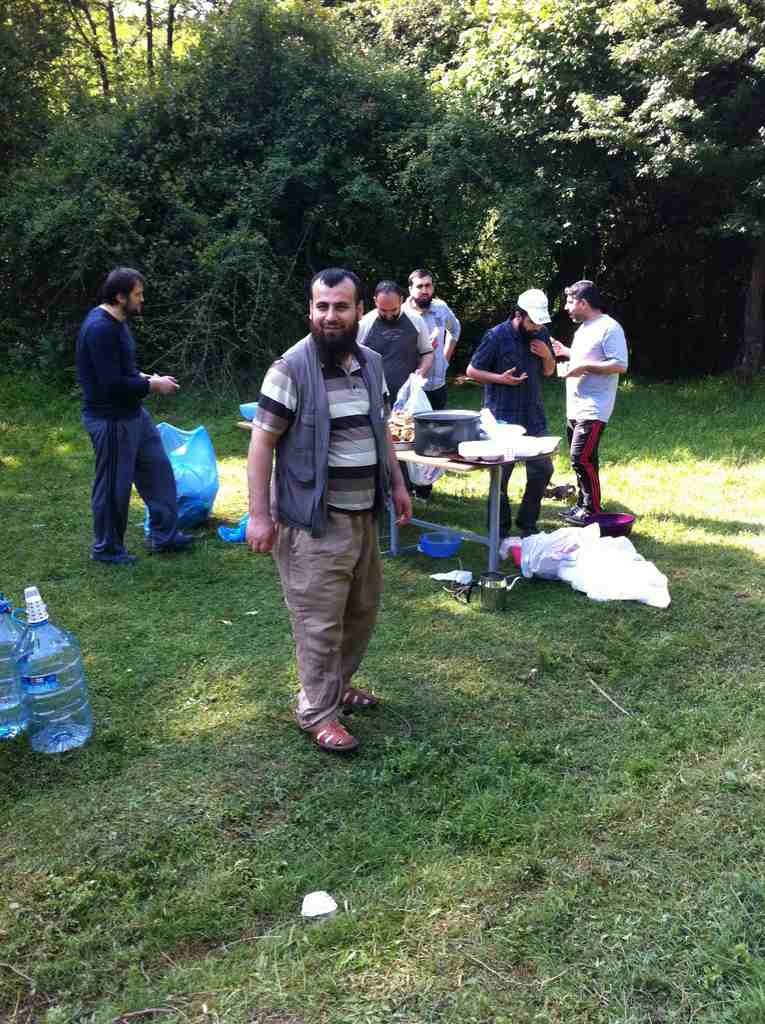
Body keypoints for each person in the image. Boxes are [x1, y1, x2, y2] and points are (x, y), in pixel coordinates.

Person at [246, 268, 412, 755]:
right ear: (310, 310)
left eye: (341, 306)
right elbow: (261, 444)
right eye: (322, 306)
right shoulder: (290, 369)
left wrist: (397, 484)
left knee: (360, 611)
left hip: (364, 514)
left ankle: (336, 687)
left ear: (359, 311)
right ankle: (316, 712)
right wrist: (259, 515)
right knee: (318, 622)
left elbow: (381, 428)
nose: (330, 316)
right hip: (314, 522)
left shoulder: (371, 363)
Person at [76, 267, 194, 565]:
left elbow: (123, 371)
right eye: (138, 294)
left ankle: (164, 536)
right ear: (120, 296)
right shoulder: (100, 329)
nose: (142, 299)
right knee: (113, 487)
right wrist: (153, 386)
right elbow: (112, 384)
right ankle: (107, 549)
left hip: (133, 415)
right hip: (111, 420)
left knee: (158, 471)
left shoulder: (118, 323)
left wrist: (147, 377)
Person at [466, 289, 556, 537]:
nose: (537, 327)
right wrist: (501, 379)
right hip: (502, 414)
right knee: (501, 473)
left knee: (543, 469)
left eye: (540, 322)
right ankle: (499, 530)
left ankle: (528, 523)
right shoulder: (496, 336)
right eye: (532, 321)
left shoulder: (542, 333)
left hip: (532, 412)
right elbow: (472, 370)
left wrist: (547, 355)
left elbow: (549, 371)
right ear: (519, 314)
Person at [551, 280, 628, 523]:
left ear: (583, 303)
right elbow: (586, 357)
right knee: (586, 459)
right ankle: (583, 505)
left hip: (594, 407)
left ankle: (592, 509)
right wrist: (566, 352)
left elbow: (620, 364)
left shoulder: (610, 327)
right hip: (575, 406)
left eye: (569, 302)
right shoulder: (584, 328)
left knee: (580, 458)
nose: (566, 307)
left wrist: (584, 366)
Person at [357, 280, 434, 404]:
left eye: (394, 310)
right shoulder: (364, 325)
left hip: (409, 396)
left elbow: (427, 353)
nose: (388, 315)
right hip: (373, 397)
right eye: (383, 310)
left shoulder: (416, 320)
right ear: (375, 301)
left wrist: (419, 374)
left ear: (401, 300)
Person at [404, 269, 461, 411]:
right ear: (410, 289)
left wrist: (445, 358)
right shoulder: (402, 314)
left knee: (439, 425)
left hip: (438, 386)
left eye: (428, 285)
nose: (424, 290)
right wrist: (422, 348)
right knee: (412, 425)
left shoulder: (440, 308)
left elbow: (455, 329)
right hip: (413, 389)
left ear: (433, 287)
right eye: (419, 286)